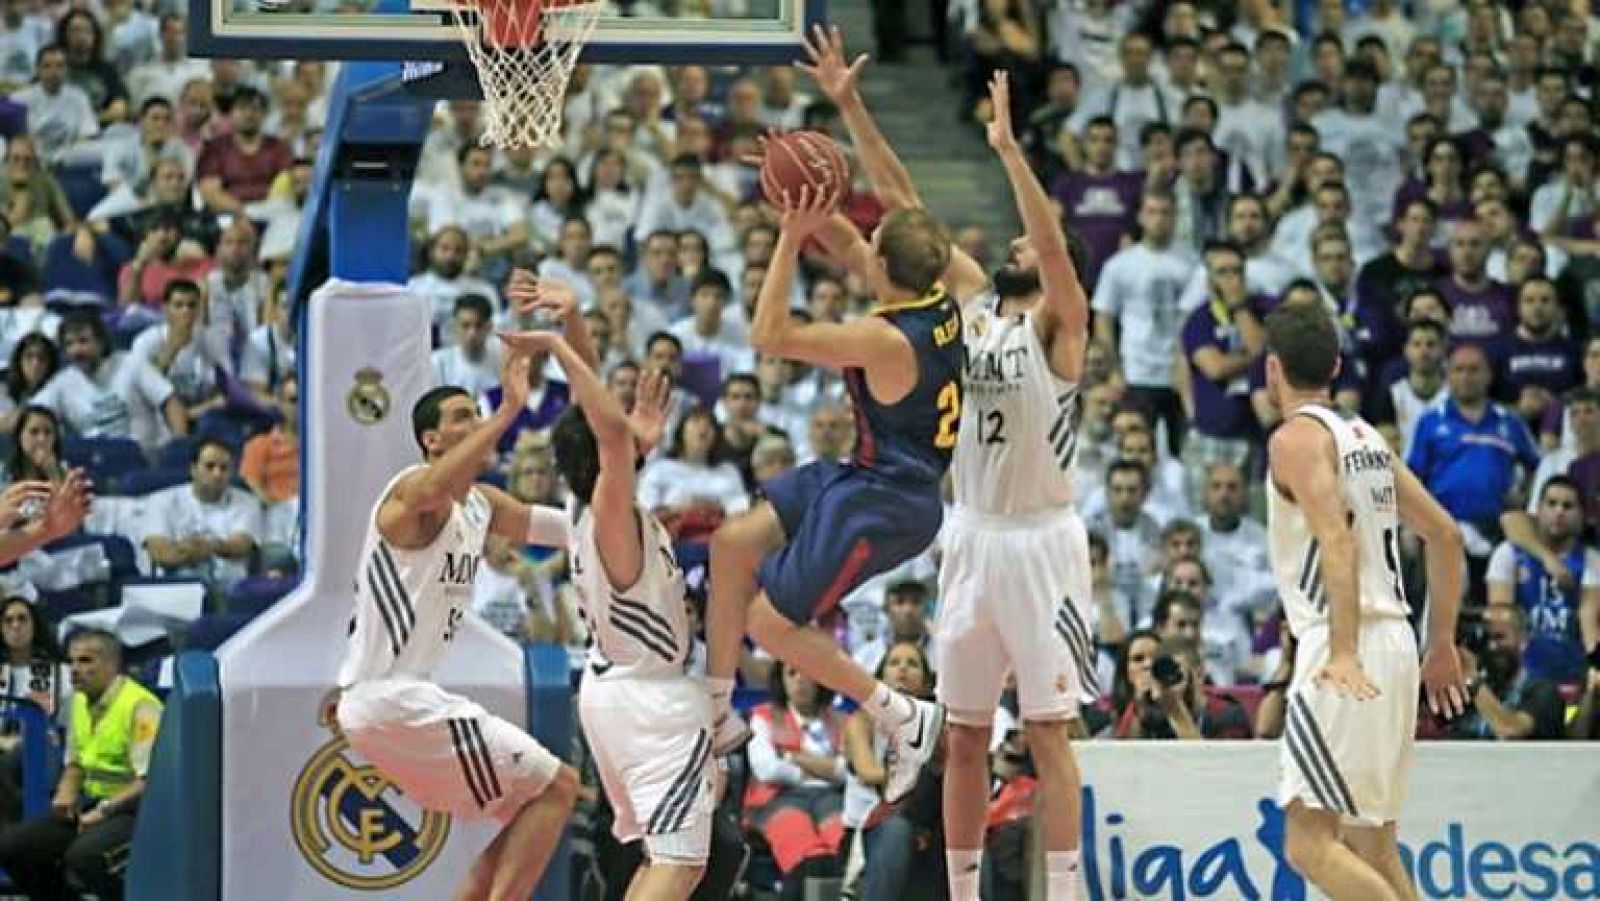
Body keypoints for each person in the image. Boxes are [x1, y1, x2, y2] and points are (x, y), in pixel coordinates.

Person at [700, 30, 954, 801]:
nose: (861, 240)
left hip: (892, 500)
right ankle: (717, 711)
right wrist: (804, 196)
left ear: (886, 266)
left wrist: (786, 239)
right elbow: (864, 233)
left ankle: (898, 710)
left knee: (773, 626)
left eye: (870, 242)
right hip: (867, 474)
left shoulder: (884, 339)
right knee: (732, 543)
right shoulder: (935, 293)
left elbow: (768, 334)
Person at [331, 280, 594, 901]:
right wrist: (507, 410)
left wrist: (628, 522)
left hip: (395, 703)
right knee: (557, 787)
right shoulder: (408, 493)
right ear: (431, 440)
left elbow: (572, 531)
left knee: (530, 806)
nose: (474, 424)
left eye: (477, 414)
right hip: (388, 698)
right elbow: (429, 495)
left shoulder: (481, 504)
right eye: (461, 418)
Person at [914, 71, 1094, 901]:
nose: (1014, 246)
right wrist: (849, 108)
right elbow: (907, 218)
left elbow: (1053, 248)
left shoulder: (1061, 328)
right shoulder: (978, 308)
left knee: (1051, 730)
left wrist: (1011, 150)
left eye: (1025, 243)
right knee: (964, 733)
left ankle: (1059, 892)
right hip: (973, 530)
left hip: (1042, 542)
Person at [1262, 301, 1467, 901]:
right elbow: (1447, 536)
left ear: (1273, 369)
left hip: (1343, 642)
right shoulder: (1365, 437)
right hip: (1399, 642)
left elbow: (1336, 539)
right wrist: (1443, 643)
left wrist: (1344, 651)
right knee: (1372, 844)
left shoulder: (1296, 439)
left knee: (1306, 843)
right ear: (1336, 365)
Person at [529, 326, 715, 901]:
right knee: (680, 864)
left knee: (668, 859)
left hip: (618, 693)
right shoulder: (612, 510)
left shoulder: (581, 505)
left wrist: (577, 324)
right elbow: (606, 430)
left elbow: (600, 429)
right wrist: (561, 349)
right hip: (650, 700)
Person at [0, 629, 159, 900]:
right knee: (13, 847)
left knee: (84, 857)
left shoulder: (141, 707)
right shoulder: (78, 702)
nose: (74, 670)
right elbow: (75, 762)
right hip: (89, 804)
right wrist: (67, 789)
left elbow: (148, 781)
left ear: (111, 665)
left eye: (85, 661)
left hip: (135, 812)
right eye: (71, 661)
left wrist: (104, 812)